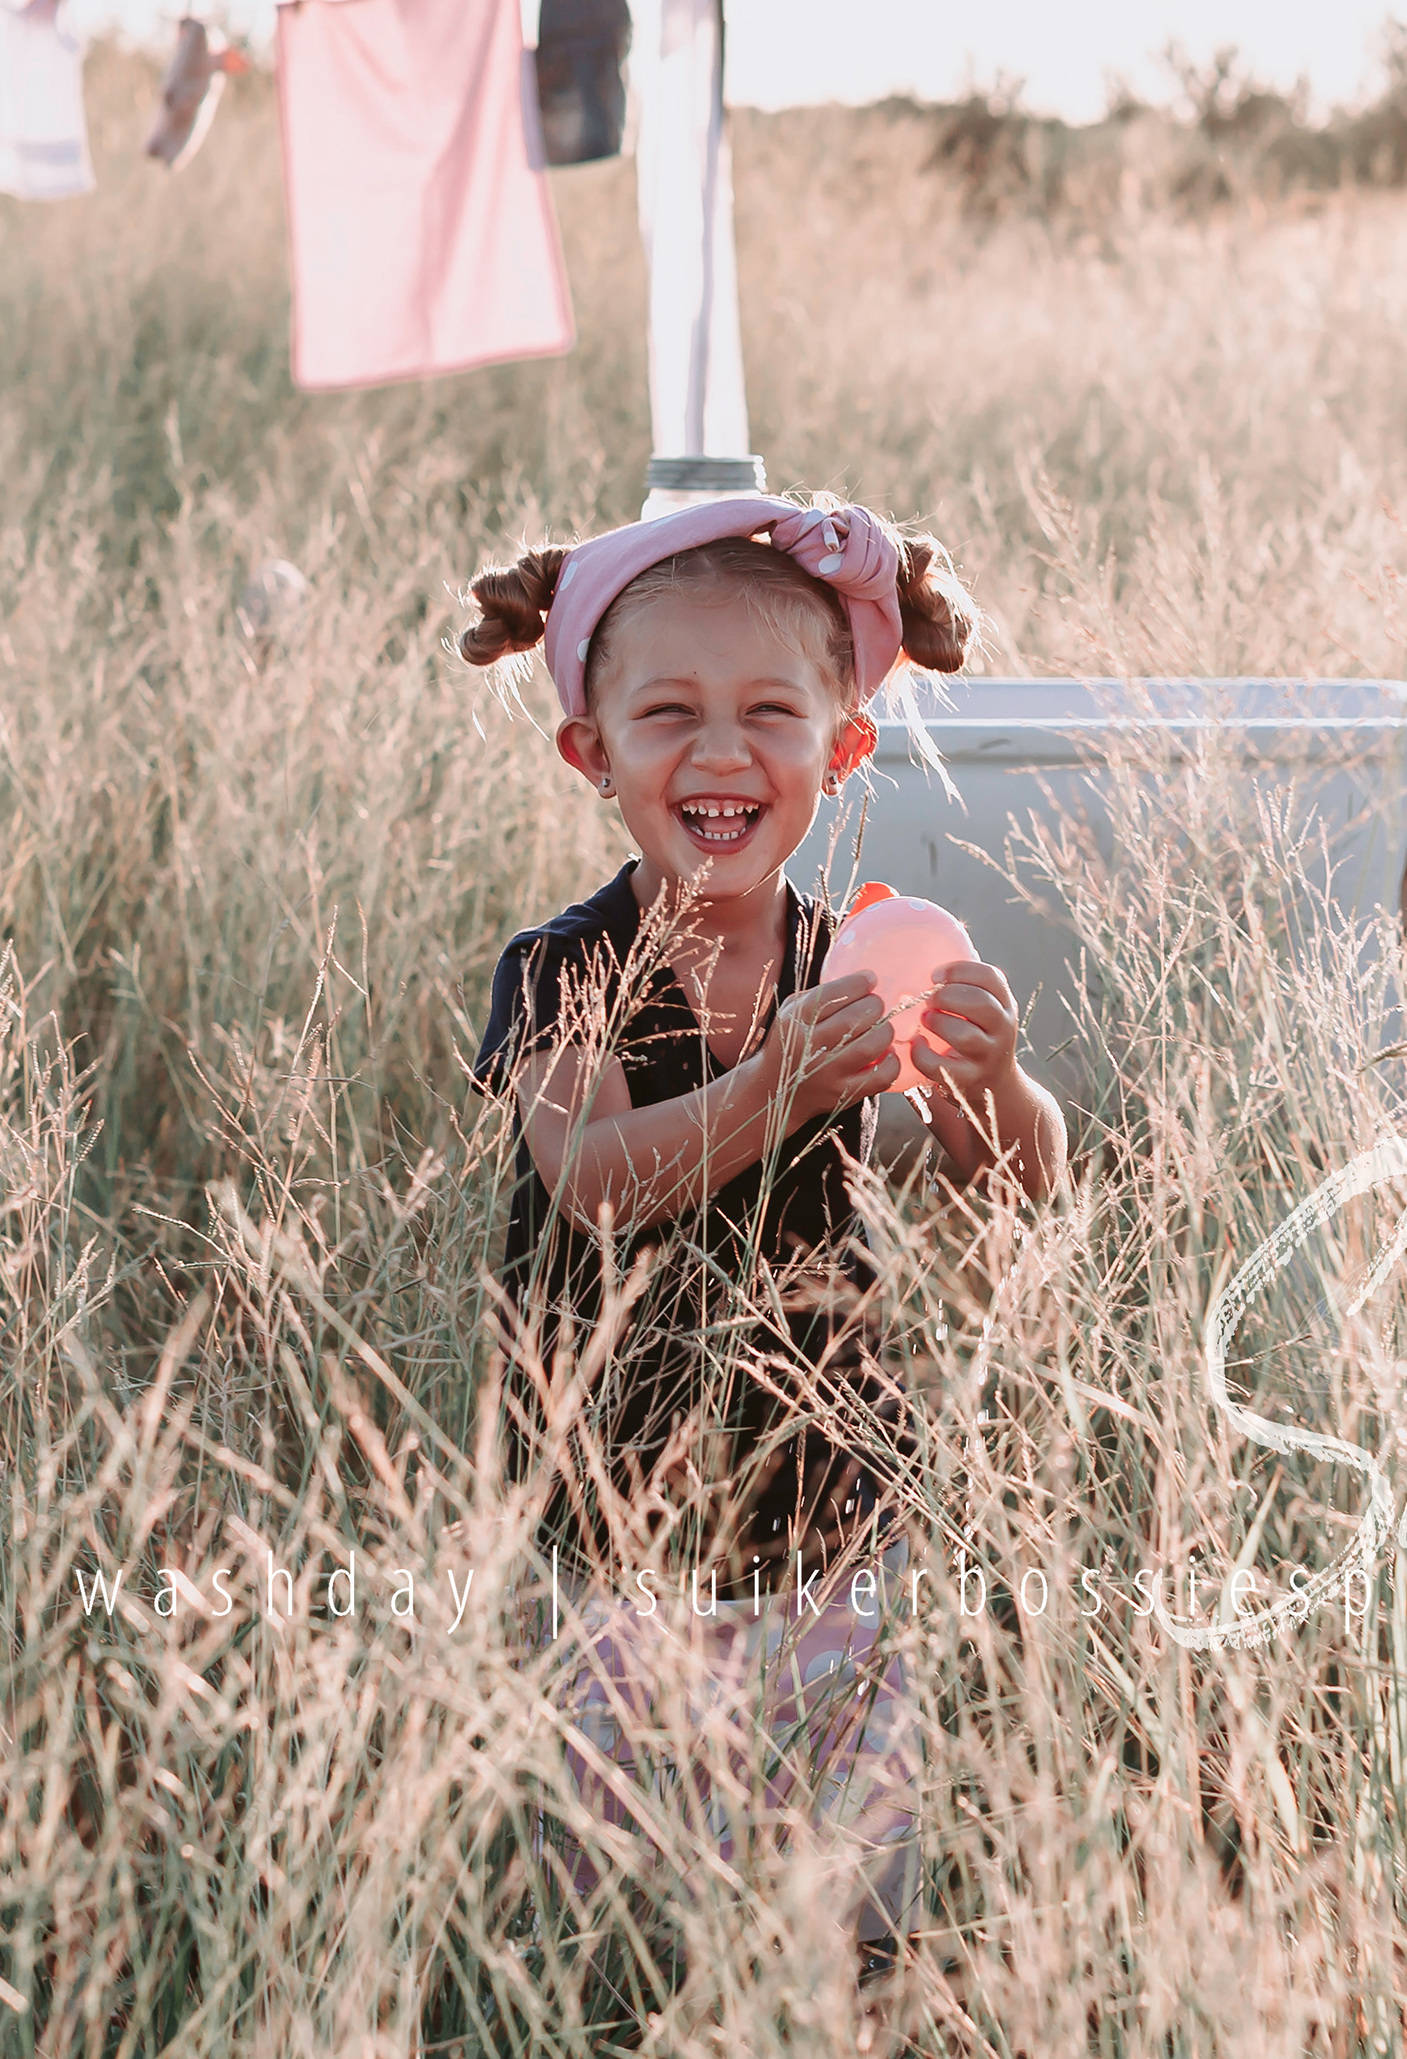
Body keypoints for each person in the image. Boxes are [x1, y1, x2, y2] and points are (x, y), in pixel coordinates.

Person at [459, 493, 1066, 1979]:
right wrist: (774, 1083)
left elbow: (1008, 1188)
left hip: (836, 1524)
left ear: (840, 749)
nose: (721, 753)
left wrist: (996, 1085)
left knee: (850, 1914)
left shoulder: (857, 946)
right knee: (615, 1927)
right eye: (668, 714)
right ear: (591, 755)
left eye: (768, 715)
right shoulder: (564, 970)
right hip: (615, 1544)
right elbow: (590, 1177)